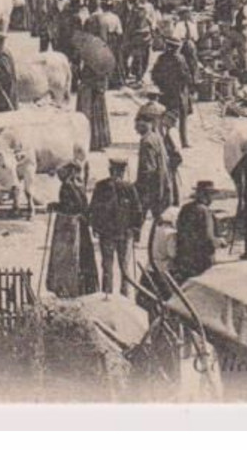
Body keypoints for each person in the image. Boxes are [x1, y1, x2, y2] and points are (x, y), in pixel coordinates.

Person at [89, 157, 144, 297]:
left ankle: (107, 295)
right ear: (123, 171)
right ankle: (124, 296)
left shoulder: (101, 186)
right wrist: (136, 230)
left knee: (107, 266)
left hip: (107, 234)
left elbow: (93, 209)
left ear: (110, 170)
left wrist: (95, 227)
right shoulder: (129, 188)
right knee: (124, 267)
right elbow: (138, 211)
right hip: (124, 234)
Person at [45, 164, 99, 298]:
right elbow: (82, 206)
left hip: (71, 227)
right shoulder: (79, 185)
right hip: (82, 226)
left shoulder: (67, 186)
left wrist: (54, 206)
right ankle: (85, 287)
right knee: (83, 257)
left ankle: (69, 287)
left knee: (69, 258)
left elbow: (69, 207)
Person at [69, 29, 115, 152]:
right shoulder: (101, 58)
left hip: (87, 91)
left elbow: (78, 75)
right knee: (99, 116)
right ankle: (99, 141)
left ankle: (86, 140)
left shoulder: (87, 55)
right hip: (98, 90)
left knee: (86, 115)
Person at [172, 181, 220, 282]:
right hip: (201, 260)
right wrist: (219, 242)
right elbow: (208, 238)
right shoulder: (205, 211)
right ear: (206, 196)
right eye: (211, 195)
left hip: (184, 257)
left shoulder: (185, 208)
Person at [151, 36, 193, 148]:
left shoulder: (161, 58)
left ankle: (164, 137)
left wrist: (160, 85)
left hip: (165, 92)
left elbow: (154, 74)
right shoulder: (180, 59)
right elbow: (186, 76)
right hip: (179, 92)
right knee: (181, 116)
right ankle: (184, 141)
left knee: (166, 113)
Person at [135, 116, 176, 226]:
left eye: (138, 125)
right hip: (161, 182)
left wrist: (138, 186)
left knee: (139, 215)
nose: (135, 128)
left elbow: (148, 168)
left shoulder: (146, 142)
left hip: (151, 186)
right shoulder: (156, 137)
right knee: (158, 217)